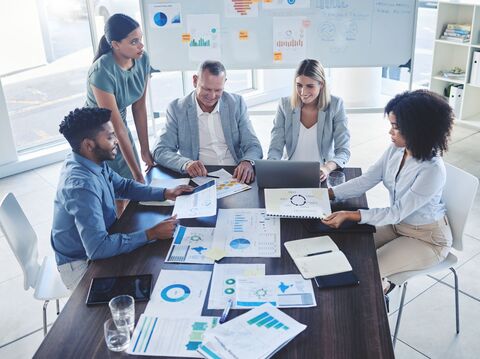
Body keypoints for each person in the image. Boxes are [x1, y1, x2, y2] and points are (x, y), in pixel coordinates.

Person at [322, 90, 454, 294]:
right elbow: (367, 179)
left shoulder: (432, 170)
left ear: (417, 129)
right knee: (346, 250)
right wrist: (328, 194)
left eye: (395, 127)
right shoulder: (396, 149)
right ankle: (381, 284)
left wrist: (350, 215)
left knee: (366, 271)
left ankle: (384, 290)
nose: (390, 132)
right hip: (397, 226)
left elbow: (396, 211)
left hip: (427, 239)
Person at [51, 107, 192, 290]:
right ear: (89, 145)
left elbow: (123, 186)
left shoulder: (89, 160)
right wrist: (151, 233)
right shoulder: (81, 186)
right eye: (109, 137)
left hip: (101, 241)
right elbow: (97, 249)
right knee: (146, 287)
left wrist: (165, 193)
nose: (116, 141)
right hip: (81, 265)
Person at [153, 60, 263, 184]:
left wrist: (248, 161)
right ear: (195, 81)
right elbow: (160, 150)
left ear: (224, 83)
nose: (212, 96)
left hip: (236, 174)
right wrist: (186, 164)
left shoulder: (236, 103)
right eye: (207, 89)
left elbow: (253, 145)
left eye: (218, 90)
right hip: (200, 177)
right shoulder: (177, 108)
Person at [86, 14, 153, 213]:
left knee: (132, 187)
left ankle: (127, 233)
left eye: (140, 39)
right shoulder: (101, 72)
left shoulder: (142, 59)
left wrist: (144, 151)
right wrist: (136, 173)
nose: (140, 45)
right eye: (134, 42)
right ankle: (115, 235)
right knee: (116, 194)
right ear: (115, 44)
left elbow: (139, 109)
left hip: (119, 127)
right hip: (96, 134)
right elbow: (115, 127)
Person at [267, 59, 350, 182]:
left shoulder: (335, 105)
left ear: (321, 84)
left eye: (310, 86)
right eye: (299, 85)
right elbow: (275, 147)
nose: (303, 92)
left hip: (321, 175)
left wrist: (327, 168)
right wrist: (272, 166)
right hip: (290, 173)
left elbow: (343, 150)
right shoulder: (285, 105)